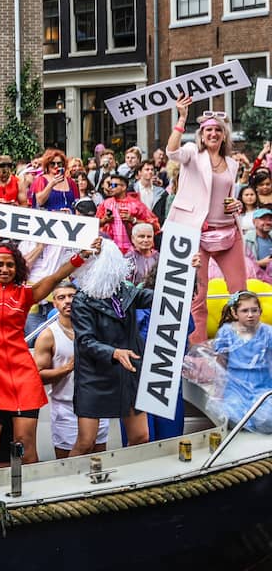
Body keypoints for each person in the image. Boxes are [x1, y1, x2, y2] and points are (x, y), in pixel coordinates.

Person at [0, 240, 95, 466]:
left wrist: (81, 257)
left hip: (22, 377)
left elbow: (54, 278)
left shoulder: (25, 294)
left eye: (10, 265)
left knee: (25, 448)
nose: (4, 269)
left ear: (18, 267)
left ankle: (33, 498)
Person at [169, 98, 244, 340]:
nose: (213, 133)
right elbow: (172, 151)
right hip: (196, 234)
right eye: (209, 130)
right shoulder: (193, 153)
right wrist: (181, 119)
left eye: (218, 130)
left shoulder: (232, 164)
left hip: (228, 234)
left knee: (240, 293)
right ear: (202, 134)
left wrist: (237, 205)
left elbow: (229, 197)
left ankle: (241, 341)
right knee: (198, 296)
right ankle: (196, 350)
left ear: (224, 136)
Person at [69, 273, 154, 455]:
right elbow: (85, 341)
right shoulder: (81, 299)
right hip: (94, 375)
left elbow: (162, 297)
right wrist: (113, 352)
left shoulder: (127, 291)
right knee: (86, 442)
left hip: (128, 371)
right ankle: (69, 481)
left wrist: (187, 272)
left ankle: (129, 479)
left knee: (141, 436)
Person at [32, 282, 107, 458]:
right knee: (67, 463)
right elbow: (37, 376)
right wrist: (67, 368)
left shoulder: (97, 328)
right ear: (54, 304)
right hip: (66, 408)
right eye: (61, 297)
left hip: (97, 403)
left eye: (72, 296)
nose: (67, 301)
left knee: (98, 459)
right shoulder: (48, 335)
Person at [212, 291, 272, 432]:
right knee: (230, 416)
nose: (250, 315)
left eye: (254, 310)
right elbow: (221, 363)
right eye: (245, 311)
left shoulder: (268, 332)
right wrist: (218, 392)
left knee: (266, 419)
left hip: (262, 385)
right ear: (234, 313)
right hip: (235, 387)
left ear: (260, 311)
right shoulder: (226, 332)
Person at [95, 173, 158, 255]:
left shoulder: (136, 204)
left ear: (124, 187)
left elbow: (154, 225)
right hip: (109, 251)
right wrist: (105, 220)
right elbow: (94, 225)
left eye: (113, 185)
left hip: (134, 252)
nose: (110, 187)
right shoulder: (105, 204)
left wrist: (133, 220)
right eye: (109, 184)